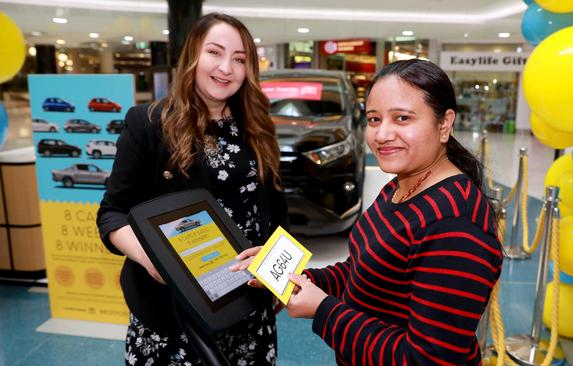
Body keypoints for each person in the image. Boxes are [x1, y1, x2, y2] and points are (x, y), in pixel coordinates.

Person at [234, 59, 503, 365]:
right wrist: (295, 278)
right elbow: (364, 269)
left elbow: (428, 360)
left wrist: (323, 309)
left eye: (402, 118)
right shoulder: (403, 184)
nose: (382, 134)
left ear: (444, 124)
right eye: (374, 120)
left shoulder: (455, 224)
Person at [96, 13, 287, 366]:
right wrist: (153, 261)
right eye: (215, 52)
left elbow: (275, 219)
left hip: (248, 310)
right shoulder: (150, 123)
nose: (226, 68)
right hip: (172, 316)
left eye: (240, 59)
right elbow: (112, 213)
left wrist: (279, 274)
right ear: (192, 56)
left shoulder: (259, 128)